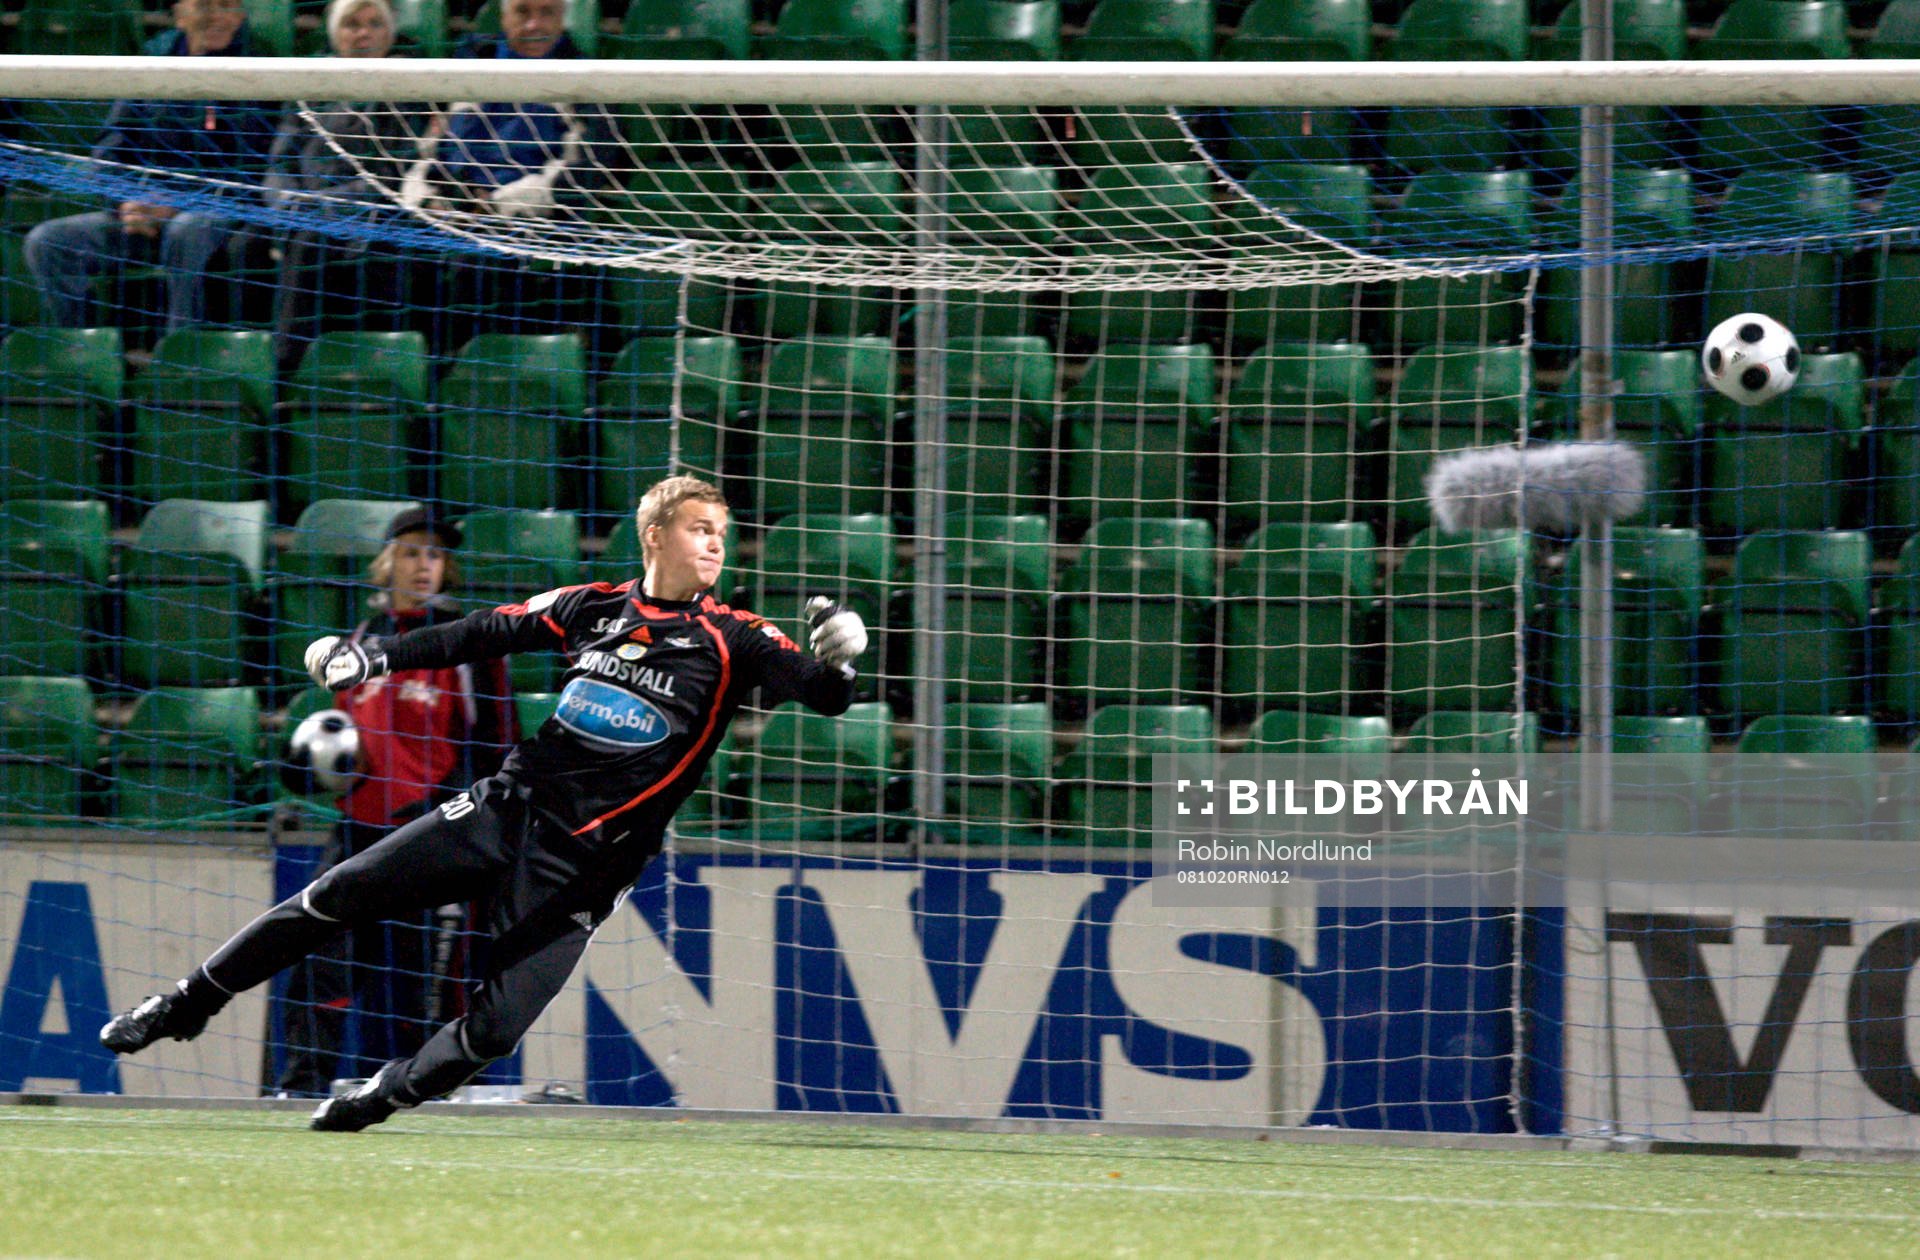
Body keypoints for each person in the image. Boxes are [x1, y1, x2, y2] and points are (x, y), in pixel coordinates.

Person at [101, 476, 870, 1132]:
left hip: (585, 864)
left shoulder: (737, 636)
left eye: (721, 535)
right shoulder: (591, 606)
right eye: (700, 529)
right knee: (333, 895)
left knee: (495, 1030)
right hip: (505, 808)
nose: (715, 545)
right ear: (655, 535)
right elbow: (479, 633)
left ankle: (380, 1095)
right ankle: (184, 1004)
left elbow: (821, 694)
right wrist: (372, 655)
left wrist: (836, 662)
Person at [276, 507, 517, 1097]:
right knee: (319, 958)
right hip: (356, 832)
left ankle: (418, 1094)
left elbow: (498, 741)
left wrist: (467, 817)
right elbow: (346, 737)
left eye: (435, 554)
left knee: (418, 983)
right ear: (386, 564)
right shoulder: (361, 641)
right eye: (411, 552)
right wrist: (311, 769)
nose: (423, 565)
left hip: (429, 837)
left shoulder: (470, 644)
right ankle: (300, 1089)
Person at [23, 0, 280, 332]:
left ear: (241, 14)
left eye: (227, 5)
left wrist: (177, 203)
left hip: (220, 210)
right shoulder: (150, 63)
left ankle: (179, 346)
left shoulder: (259, 68)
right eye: (205, 6)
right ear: (180, 16)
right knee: (47, 241)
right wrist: (125, 202)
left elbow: (255, 166)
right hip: (143, 214)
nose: (218, 16)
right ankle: (84, 345)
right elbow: (110, 150)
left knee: (187, 230)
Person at [398, 0, 617, 343]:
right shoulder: (467, 68)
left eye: (546, 13)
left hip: (531, 220)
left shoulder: (587, 80)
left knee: (474, 266)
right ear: (504, 17)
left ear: (562, 17)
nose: (534, 25)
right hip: (454, 210)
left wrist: (497, 205)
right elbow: (428, 154)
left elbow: (584, 170)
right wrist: (430, 200)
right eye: (523, 12)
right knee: (386, 252)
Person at [264, 0, 434, 355]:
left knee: (312, 241)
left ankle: (287, 364)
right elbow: (279, 163)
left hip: (369, 213)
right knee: (244, 244)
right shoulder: (311, 87)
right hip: (300, 212)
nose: (363, 34)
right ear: (334, 33)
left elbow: (392, 173)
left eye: (374, 24)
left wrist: (322, 207)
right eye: (352, 24)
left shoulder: (407, 90)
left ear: (389, 34)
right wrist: (288, 201)